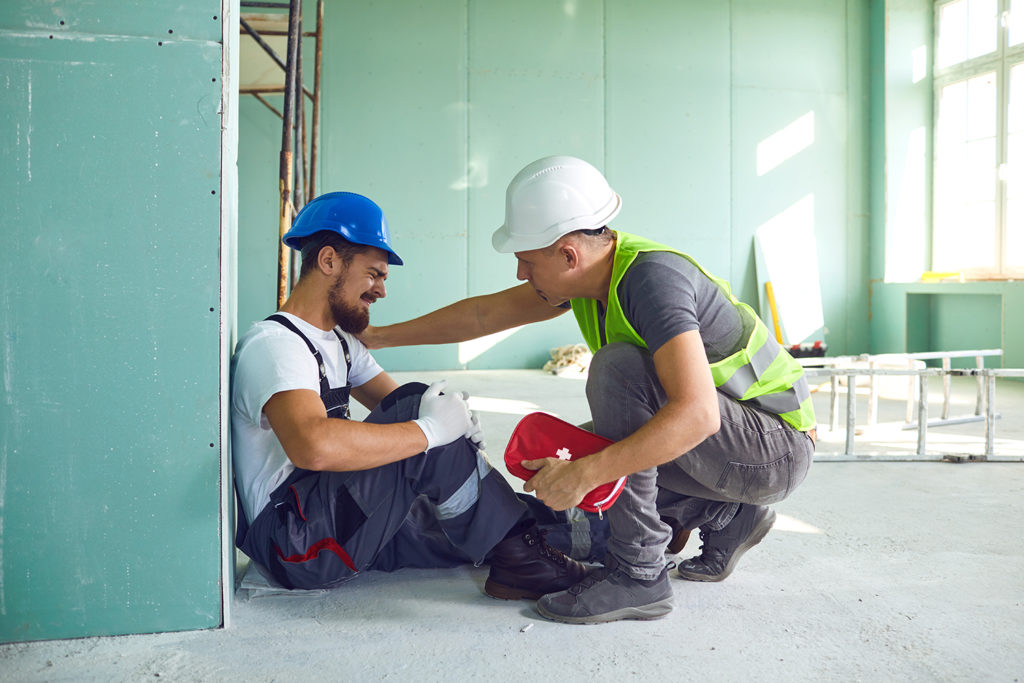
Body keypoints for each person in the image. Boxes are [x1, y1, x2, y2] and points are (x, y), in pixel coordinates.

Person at [359, 156, 817, 625]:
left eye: (526, 260)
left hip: (774, 446)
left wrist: (589, 473)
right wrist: (376, 337)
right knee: (581, 457)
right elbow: (483, 316)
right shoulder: (588, 279)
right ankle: (726, 515)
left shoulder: (652, 283)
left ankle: (639, 577)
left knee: (615, 378)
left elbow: (698, 414)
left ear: (568, 255)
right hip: (738, 445)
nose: (520, 274)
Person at [231, 190, 601, 600]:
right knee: (419, 414)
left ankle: (608, 534)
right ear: (329, 260)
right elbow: (313, 447)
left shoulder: (339, 342)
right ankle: (521, 564)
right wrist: (431, 430)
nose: (381, 290)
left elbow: (409, 403)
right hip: (294, 541)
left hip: (339, 515)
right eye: (374, 273)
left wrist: (452, 423)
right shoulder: (275, 344)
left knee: (468, 513)